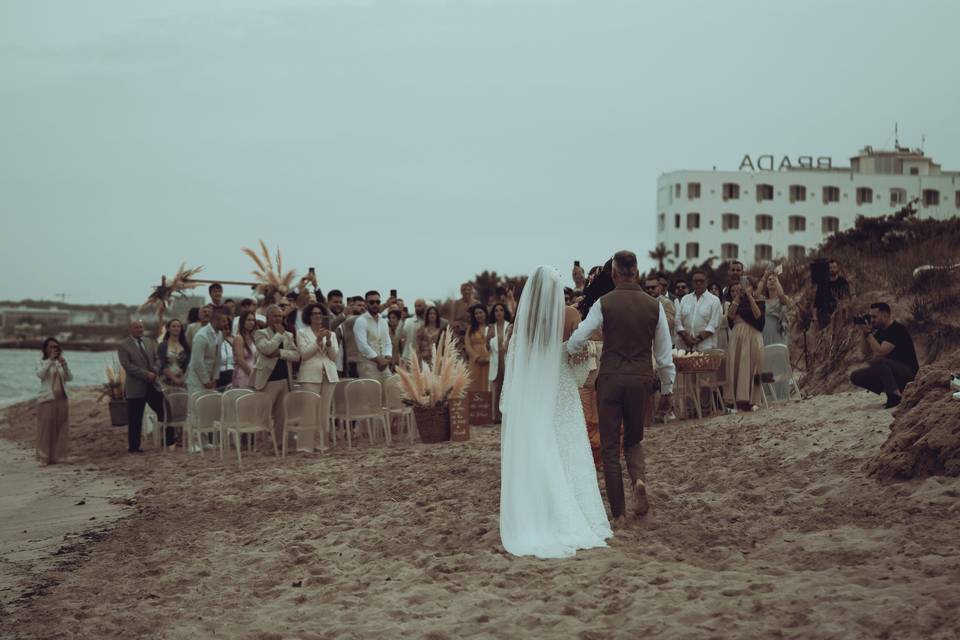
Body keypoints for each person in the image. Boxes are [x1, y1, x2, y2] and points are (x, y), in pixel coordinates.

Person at [500, 265, 613, 559]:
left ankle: (540, 511)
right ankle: (575, 514)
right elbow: (579, 376)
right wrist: (579, 356)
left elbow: (511, 375)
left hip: (533, 406)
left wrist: (511, 407)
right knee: (568, 454)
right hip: (562, 402)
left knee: (541, 454)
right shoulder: (567, 329)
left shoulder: (518, 333)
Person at [568, 251, 675, 526]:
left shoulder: (604, 303)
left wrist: (570, 350)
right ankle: (638, 480)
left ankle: (618, 513)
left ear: (614, 274)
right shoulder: (655, 306)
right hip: (641, 378)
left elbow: (579, 337)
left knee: (610, 447)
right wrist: (667, 390)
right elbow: (664, 355)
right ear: (637, 273)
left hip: (611, 378)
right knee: (633, 440)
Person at [850, 302, 918, 408]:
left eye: (874, 317)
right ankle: (893, 390)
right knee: (855, 376)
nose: (872, 320)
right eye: (871, 317)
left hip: (909, 373)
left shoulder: (897, 329)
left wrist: (868, 334)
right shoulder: (879, 332)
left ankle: (895, 396)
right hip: (892, 373)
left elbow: (881, 352)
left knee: (878, 361)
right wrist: (865, 333)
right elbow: (865, 352)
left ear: (885, 316)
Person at [253, 305, 301, 443]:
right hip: (267, 380)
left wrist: (280, 353)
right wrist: (279, 336)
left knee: (282, 415)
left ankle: (279, 443)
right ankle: (260, 444)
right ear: (268, 318)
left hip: (285, 379)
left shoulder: (289, 335)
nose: (278, 319)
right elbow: (267, 349)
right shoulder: (260, 333)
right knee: (263, 414)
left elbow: (297, 355)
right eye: (275, 316)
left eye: (280, 316)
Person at [117, 320, 166, 453]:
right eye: (137, 327)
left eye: (141, 327)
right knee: (135, 419)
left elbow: (158, 359)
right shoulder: (123, 345)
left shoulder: (149, 342)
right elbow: (127, 366)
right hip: (135, 387)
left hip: (152, 385)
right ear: (131, 329)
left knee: (164, 411)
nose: (140, 329)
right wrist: (146, 375)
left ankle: (168, 440)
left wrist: (155, 371)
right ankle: (134, 447)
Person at [296, 303, 340, 451]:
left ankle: (322, 443)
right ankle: (306, 445)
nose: (317, 316)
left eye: (320, 313)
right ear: (308, 316)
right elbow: (305, 355)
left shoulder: (332, 334)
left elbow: (334, 357)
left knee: (324, 410)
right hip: (309, 375)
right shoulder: (302, 332)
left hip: (329, 374)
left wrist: (328, 342)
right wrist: (317, 340)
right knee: (309, 410)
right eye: (314, 314)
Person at [725, 279, 766, 411]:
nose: (740, 290)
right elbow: (730, 316)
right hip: (737, 338)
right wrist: (738, 296)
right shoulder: (734, 302)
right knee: (737, 366)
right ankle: (739, 400)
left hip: (753, 336)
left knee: (754, 366)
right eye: (734, 290)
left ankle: (755, 400)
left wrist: (749, 296)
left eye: (743, 287)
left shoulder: (759, 299)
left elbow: (758, 315)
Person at [36, 337, 72, 464]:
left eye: (55, 347)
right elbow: (40, 375)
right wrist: (50, 360)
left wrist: (65, 365)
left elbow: (69, 378)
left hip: (62, 397)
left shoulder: (60, 361)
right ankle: (44, 456)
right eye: (50, 346)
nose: (53, 349)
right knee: (46, 427)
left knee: (60, 426)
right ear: (45, 348)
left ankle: (57, 456)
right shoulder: (41, 361)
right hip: (47, 398)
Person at [675, 268, 722, 351]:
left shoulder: (714, 300)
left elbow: (713, 324)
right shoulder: (685, 299)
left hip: (705, 347)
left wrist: (698, 339)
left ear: (707, 281)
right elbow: (677, 321)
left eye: (701, 281)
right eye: (695, 281)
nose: (698, 283)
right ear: (692, 282)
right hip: (684, 347)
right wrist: (686, 337)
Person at [354, 291, 393, 386]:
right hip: (367, 367)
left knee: (389, 393)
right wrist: (379, 360)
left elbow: (388, 342)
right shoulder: (361, 321)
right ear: (366, 303)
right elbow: (362, 346)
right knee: (371, 397)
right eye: (371, 302)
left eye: (377, 302)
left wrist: (388, 357)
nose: (375, 304)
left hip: (384, 367)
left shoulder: (383, 321)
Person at [486, 302, 512, 423]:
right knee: (496, 390)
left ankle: (507, 414)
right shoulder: (490, 328)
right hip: (496, 362)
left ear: (504, 312)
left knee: (508, 388)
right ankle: (495, 416)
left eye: (501, 310)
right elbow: (487, 348)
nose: (498, 312)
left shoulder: (509, 326)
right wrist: (488, 338)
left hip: (507, 360)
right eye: (496, 310)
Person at [464, 304, 491, 392]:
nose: (478, 315)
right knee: (475, 383)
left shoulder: (491, 327)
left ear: (485, 313)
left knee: (488, 383)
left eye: (480, 313)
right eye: (476, 313)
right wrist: (476, 357)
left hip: (489, 360)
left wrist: (489, 358)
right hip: (475, 360)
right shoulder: (471, 328)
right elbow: (467, 345)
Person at [158, 318, 190, 391]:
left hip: (182, 381)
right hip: (166, 381)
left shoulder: (185, 345)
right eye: (174, 326)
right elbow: (162, 365)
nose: (176, 328)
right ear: (168, 329)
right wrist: (174, 379)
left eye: (178, 326)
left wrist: (183, 378)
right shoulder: (163, 345)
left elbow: (188, 364)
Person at [231, 310, 258, 389]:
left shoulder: (253, 337)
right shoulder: (239, 338)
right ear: (243, 321)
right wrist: (252, 375)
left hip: (252, 373)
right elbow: (240, 361)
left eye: (253, 320)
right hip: (242, 374)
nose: (251, 322)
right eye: (248, 320)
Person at [340, 297, 366, 378]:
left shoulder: (363, 319)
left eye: (363, 305)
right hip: (352, 361)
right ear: (351, 306)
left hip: (362, 360)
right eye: (359, 305)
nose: (362, 307)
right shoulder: (349, 319)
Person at [401, 299, 427, 367]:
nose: (417, 308)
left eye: (419, 306)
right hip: (408, 358)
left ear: (425, 307)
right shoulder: (408, 322)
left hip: (423, 360)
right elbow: (402, 339)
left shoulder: (427, 323)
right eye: (416, 306)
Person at [216, 316, 235, 391]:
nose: (225, 331)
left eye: (227, 329)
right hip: (220, 375)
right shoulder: (214, 344)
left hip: (232, 374)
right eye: (222, 329)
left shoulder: (231, 342)